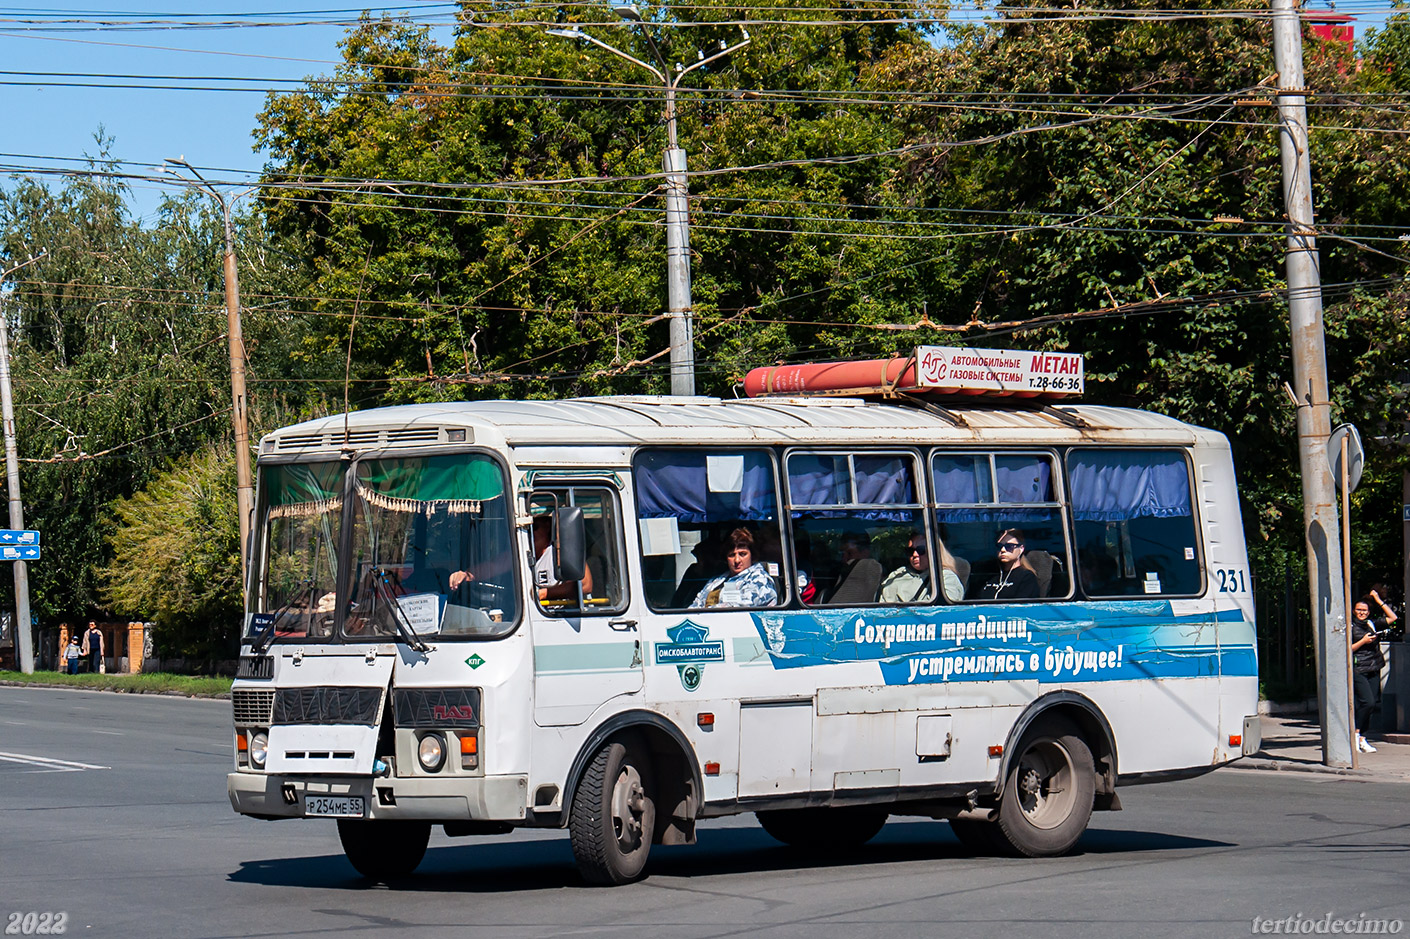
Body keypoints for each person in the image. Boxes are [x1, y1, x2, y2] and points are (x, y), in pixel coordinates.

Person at [1351, 590, 1398, 753]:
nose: (1361, 613)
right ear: (1353, 611)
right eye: (1358, 610)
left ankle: (1362, 738)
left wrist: (1378, 600)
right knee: (1367, 702)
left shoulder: (1371, 624)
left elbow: (1393, 618)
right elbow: (1346, 649)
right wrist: (1363, 641)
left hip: (1373, 667)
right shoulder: (1350, 626)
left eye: (1364, 610)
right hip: (1358, 669)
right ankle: (1355, 734)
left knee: (1371, 705)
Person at [690, 528, 778, 609]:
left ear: (752, 555)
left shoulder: (760, 579)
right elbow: (696, 604)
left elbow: (738, 608)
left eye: (742, 554)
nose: (737, 560)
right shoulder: (716, 580)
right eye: (732, 555)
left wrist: (704, 613)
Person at [879, 532, 964, 604]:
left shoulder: (945, 577)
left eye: (920, 550)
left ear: (935, 551)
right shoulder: (898, 574)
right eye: (910, 551)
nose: (915, 555)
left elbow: (943, 610)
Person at [971, 528, 1040, 601]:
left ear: (1021, 549)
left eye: (1009, 546)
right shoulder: (989, 575)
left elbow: (1021, 607)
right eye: (999, 546)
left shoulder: (1027, 577)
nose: (1003, 550)